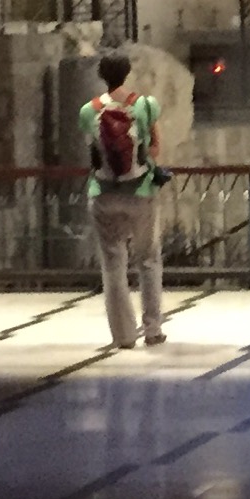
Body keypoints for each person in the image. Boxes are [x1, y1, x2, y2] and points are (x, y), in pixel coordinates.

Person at [80, 50, 166, 348]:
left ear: (101, 76)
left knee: (113, 263)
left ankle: (124, 336)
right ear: (127, 73)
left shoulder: (88, 110)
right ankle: (153, 330)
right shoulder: (145, 105)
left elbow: (93, 152)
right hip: (140, 192)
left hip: (103, 193)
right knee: (148, 260)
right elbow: (155, 148)